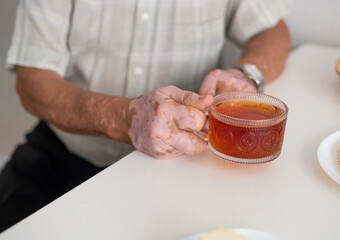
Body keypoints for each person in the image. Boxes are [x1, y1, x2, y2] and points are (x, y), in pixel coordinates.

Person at [0, 0, 293, 232]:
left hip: (183, 166)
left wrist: (246, 75)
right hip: (67, 151)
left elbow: (272, 30)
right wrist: (125, 118)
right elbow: (32, 80)